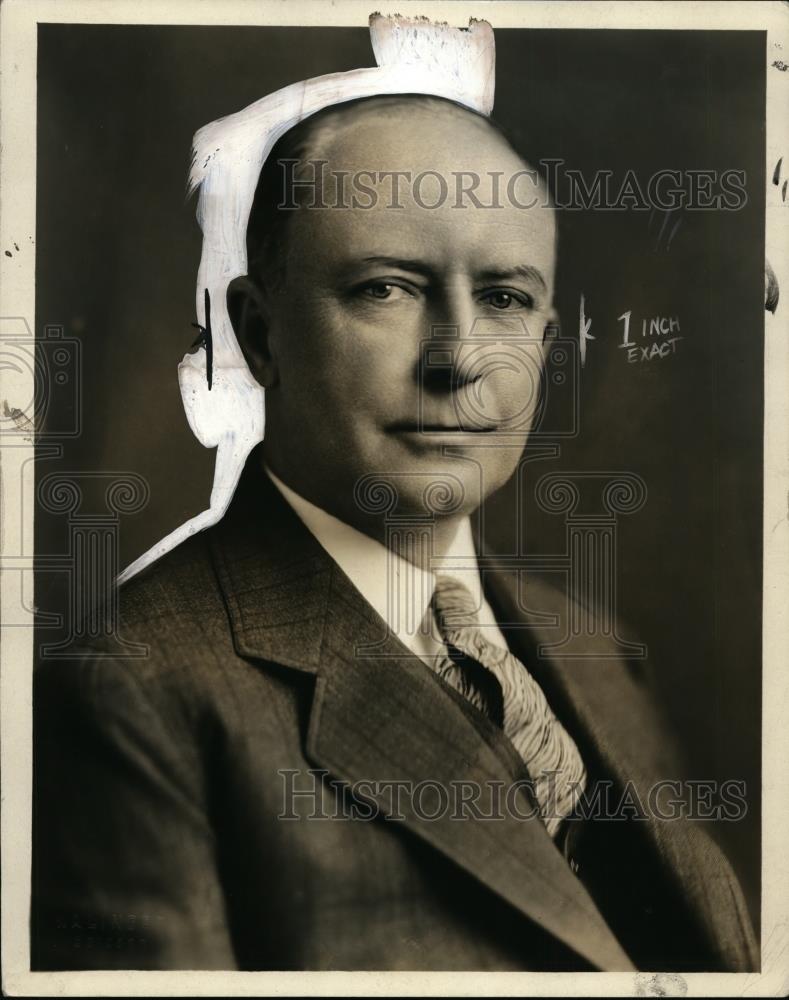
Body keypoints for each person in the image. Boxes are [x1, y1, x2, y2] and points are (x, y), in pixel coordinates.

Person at [32, 93, 757, 974]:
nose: (459, 357)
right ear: (259, 335)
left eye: (502, 298)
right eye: (386, 288)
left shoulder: (596, 652)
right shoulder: (128, 692)